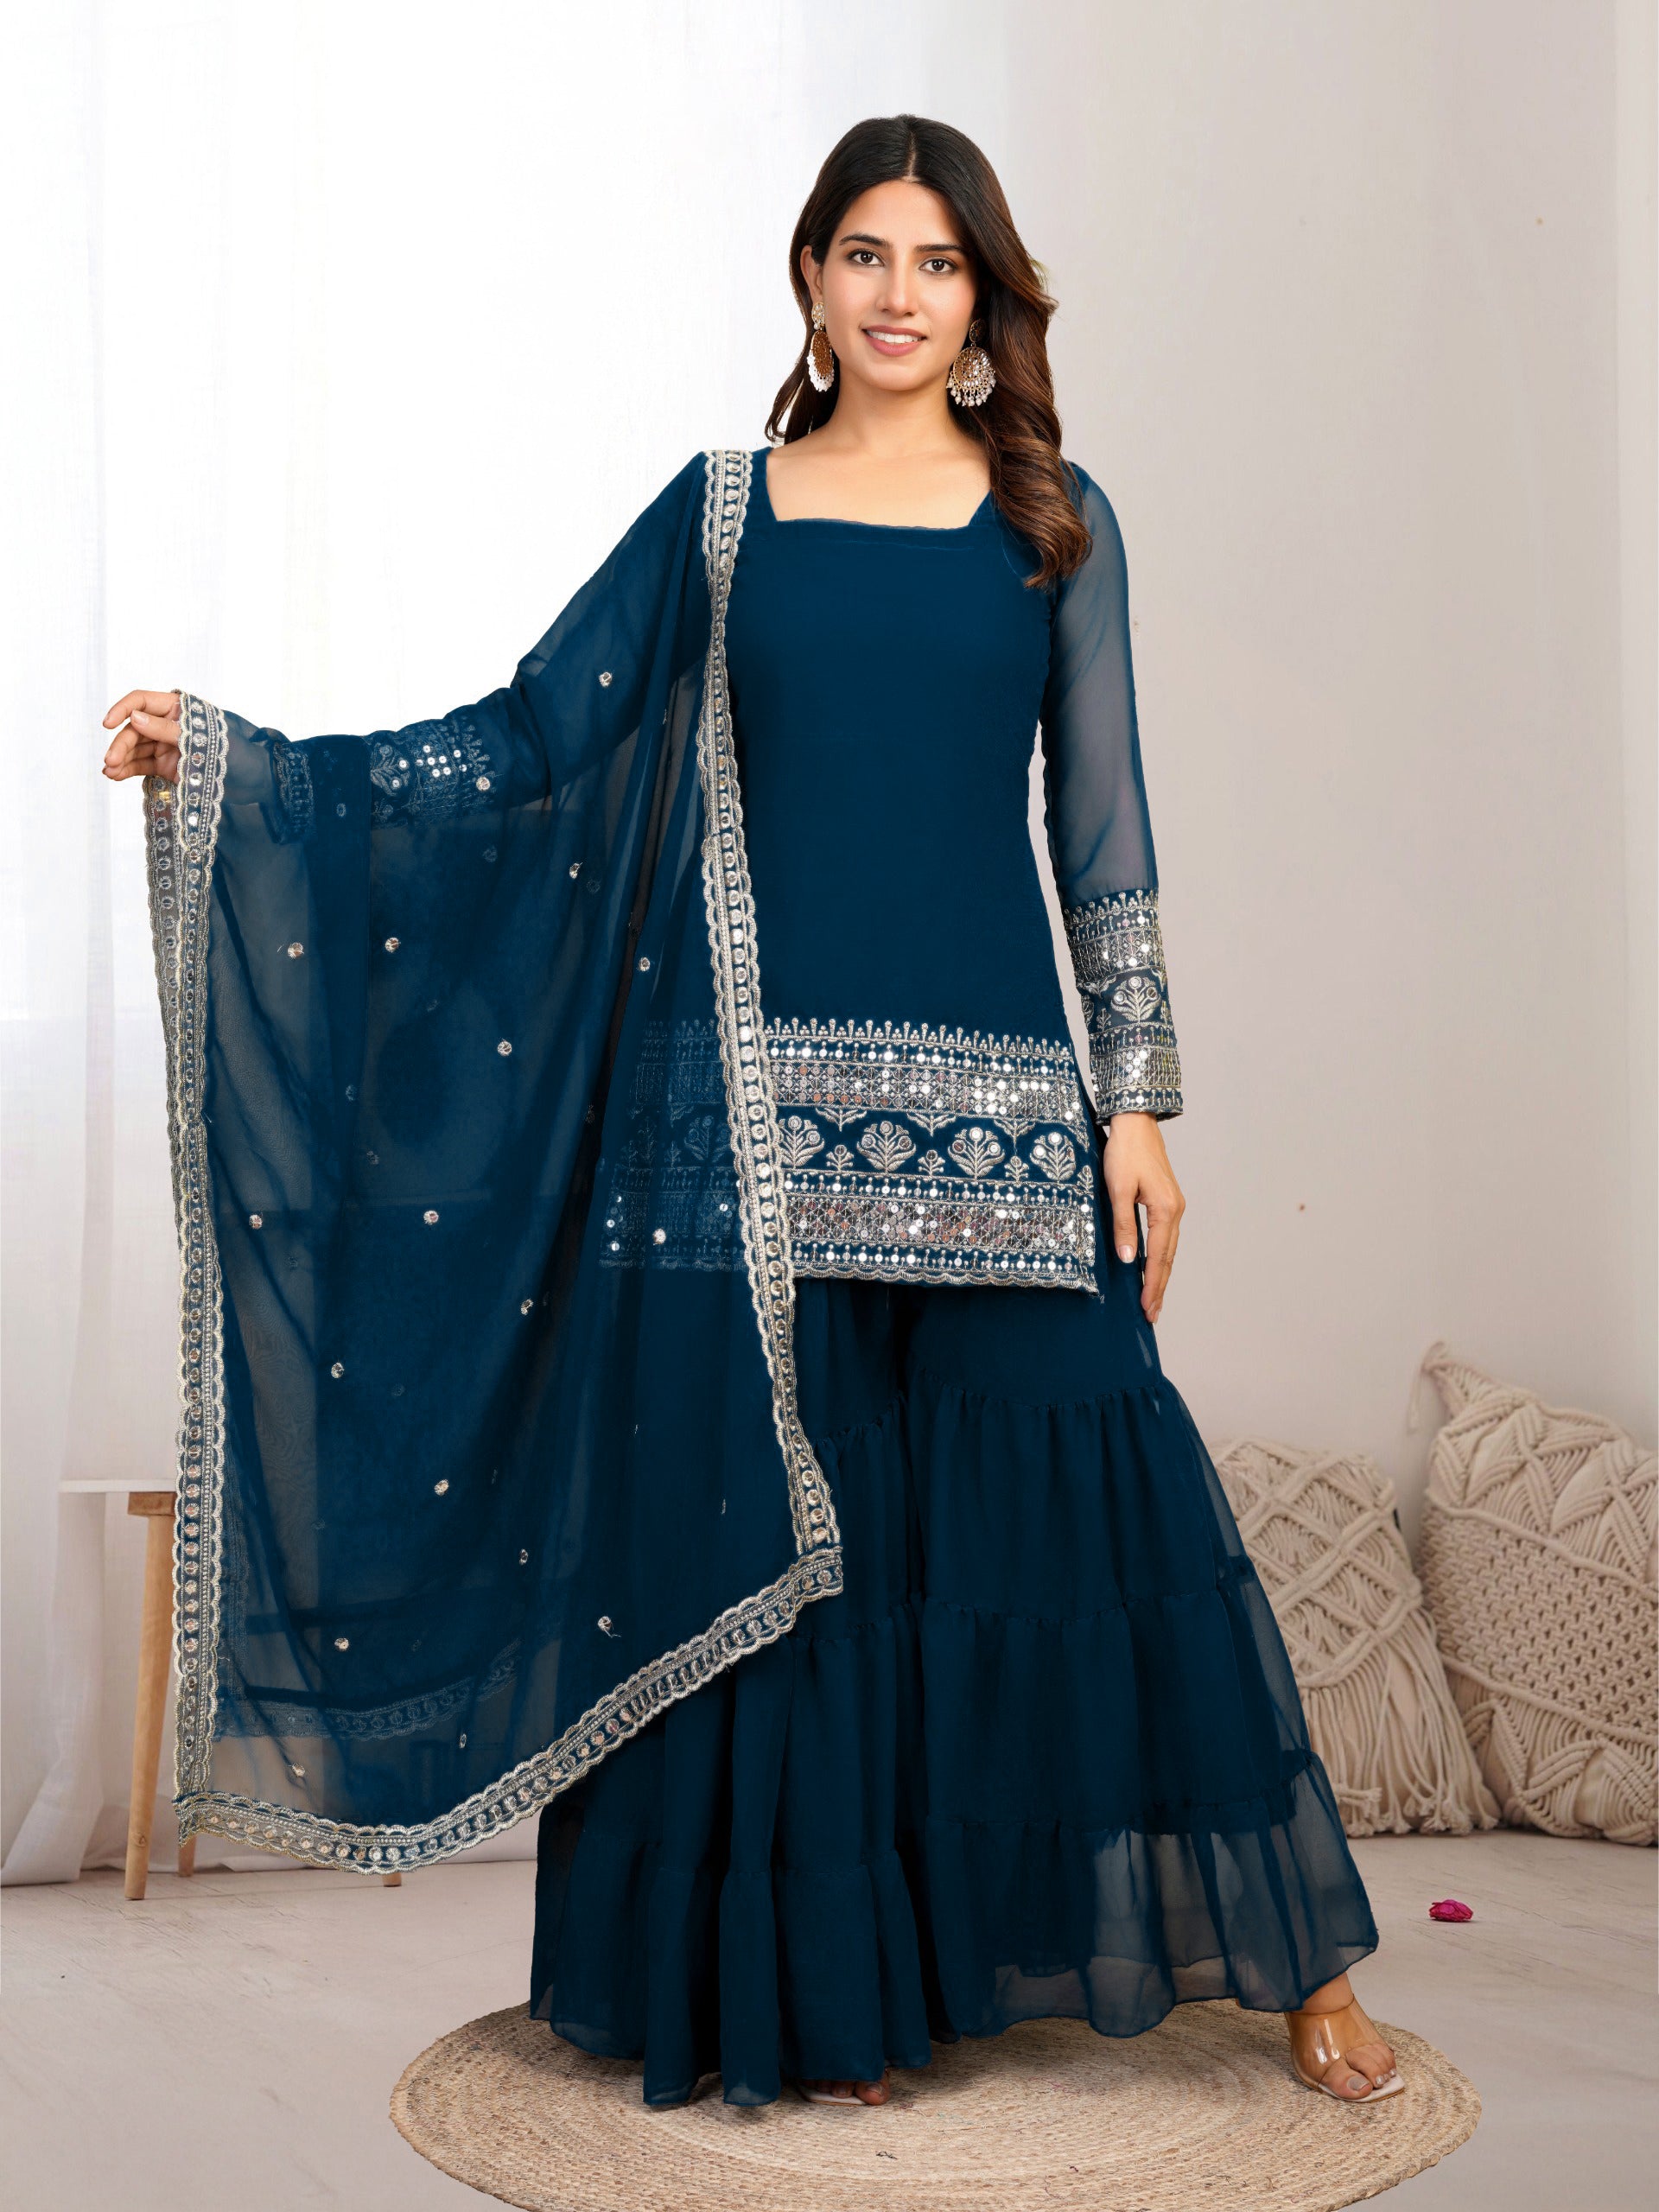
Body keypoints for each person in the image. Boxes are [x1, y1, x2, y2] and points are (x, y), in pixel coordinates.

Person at [102, 113, 1398, 2113]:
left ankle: (1295, 1953)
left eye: (938, 261)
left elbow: (1104, 833)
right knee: (775, 1571)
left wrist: (1137, 1105)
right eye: (864, 254)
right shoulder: (722, 517)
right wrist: (254, 766)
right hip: (742, 1139)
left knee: (1102, 1507)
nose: (898, 294)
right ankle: (818, 1990)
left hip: (993, 1131)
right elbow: (526, 743)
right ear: (810, 280)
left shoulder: (1052, 522)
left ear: (985, 300)